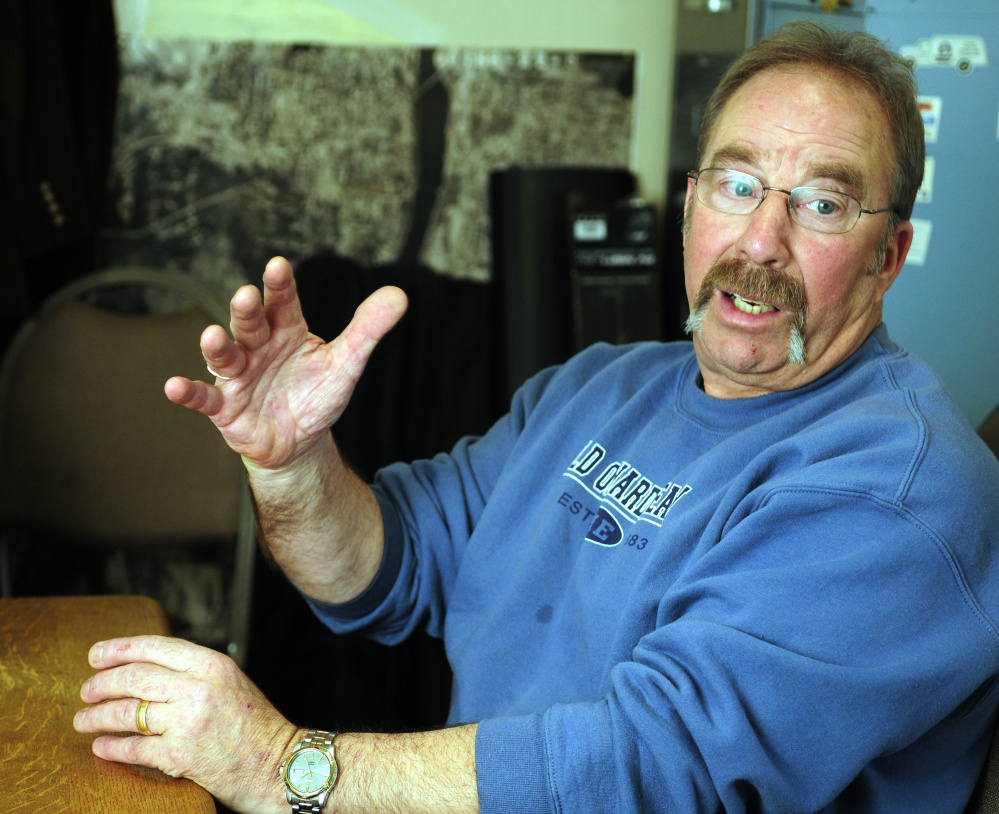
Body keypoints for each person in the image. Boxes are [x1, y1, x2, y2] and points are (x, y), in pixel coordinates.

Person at [73, 20, 999, 814]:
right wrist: (291, 467)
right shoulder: (601, 386)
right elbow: (379, 570)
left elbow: (652, 770)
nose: (761, 238)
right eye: (736, 183)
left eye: (823, 203)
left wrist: (285, 769)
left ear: (887, 257)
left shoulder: (897, 488)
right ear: (689, 208)